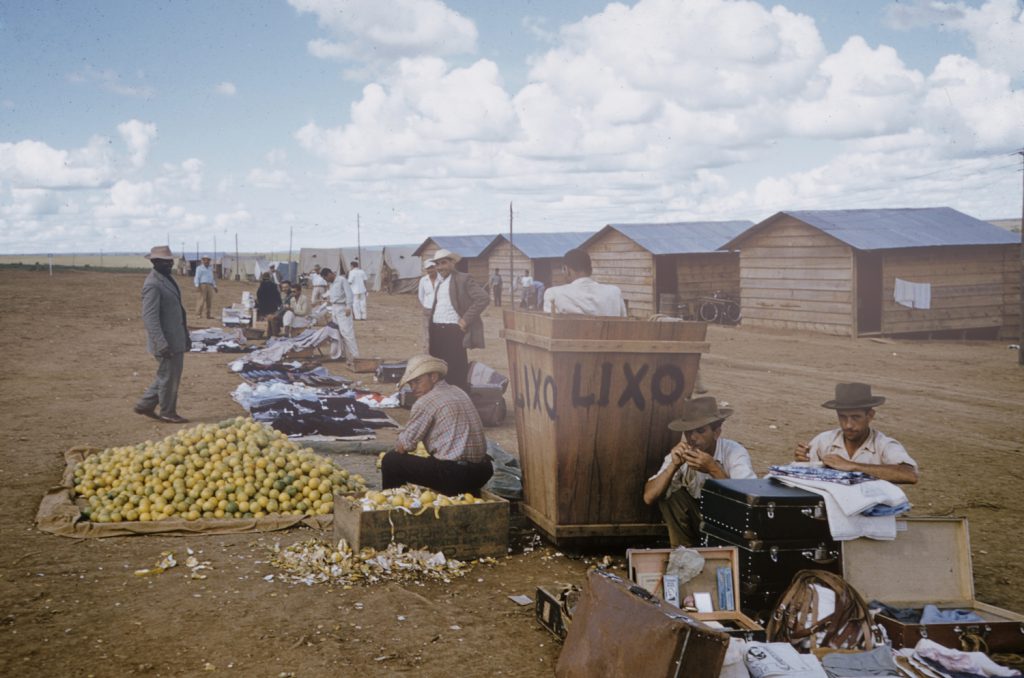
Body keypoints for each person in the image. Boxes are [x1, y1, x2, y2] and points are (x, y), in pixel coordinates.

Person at [644, 396, 756, 546]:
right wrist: (673, 466)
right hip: (699, 520)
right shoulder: (682, 452)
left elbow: (750, 503)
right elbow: (649, 497)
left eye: (700, 431)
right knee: (669, 493)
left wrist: (713, 469)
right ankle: (683, 553)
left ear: (716, 432)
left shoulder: (734, 452)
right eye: (688, 432)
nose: (693, 437)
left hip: (728, 524)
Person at [380, 355, 493, 496]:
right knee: (438, 461)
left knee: (391, 461)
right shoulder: (458, 391)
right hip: (482, 471)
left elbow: (404, 446)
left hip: (455, 474)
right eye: (411, 384)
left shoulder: (426, 401)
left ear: (433, 377)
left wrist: (401, 439)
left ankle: (393, 508)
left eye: (417, 381)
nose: (413, 388)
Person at [795, 383, 918, 484]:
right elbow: (807, 477)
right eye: (843, 417)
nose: (848, 425)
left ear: (870, 415)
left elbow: (909, 474)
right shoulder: (823, 440)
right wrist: (803, 462)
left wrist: (852, 466)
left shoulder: (885, 445)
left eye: (856, 417)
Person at [134, 245, 190, 424]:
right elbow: (150, 318)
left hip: (175, 337)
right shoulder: (153, 284)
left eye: (170, 261)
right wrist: (161, 344)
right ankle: (168, 412)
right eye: (165, 262)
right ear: (154, 262)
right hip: (165, 341)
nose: (169, 264)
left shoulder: (167, 279)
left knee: (167, 375)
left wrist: (185, 336)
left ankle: (145, 404)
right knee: (168, 378)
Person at [427, 249, 489, 391]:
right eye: (437, 264)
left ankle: (459, 400)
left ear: (452, 263)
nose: (440, 267)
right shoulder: (439, 282)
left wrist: (465, 320)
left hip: (453, 330)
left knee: (455, 370)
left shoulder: (463, 278)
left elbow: (483, 298)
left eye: (444, 263)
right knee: (438, 368)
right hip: (437, 330)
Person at [543, 248, 627, 316]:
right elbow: (624, 323)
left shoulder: (553, 294)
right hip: (610, 336)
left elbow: (550, 328)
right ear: (590, 270)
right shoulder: (614, 292)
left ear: (567, 270)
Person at [321, 268, 360, 360]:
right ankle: (342, 354)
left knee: (347, 332)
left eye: (326, 278)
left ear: (330, 274)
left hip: (343, 308)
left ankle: (355, 356)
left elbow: (349, 294)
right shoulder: (331, 283)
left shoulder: (342, 280)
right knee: (337, 332)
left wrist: (348, 307)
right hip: (334, 308)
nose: (326, 280)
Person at [417, 260, 438, 351]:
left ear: (435, 267)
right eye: (428, 269)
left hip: (439, 309)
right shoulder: (423, 280)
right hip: (428, 309)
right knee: (427, 331)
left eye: (432, 268)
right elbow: (421, 296)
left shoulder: (441, 279)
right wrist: (426, 305)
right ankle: (427, 350)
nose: (430, 270)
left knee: (439, 330)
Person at [193, 255, 217, 319]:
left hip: (209, 285)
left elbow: (212, 278)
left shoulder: (210, 268)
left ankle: (208, 315)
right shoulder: (199, 268)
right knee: (201, 300)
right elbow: (197, 277)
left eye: (208, 260)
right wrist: (197, 285)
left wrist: (214, 286)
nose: (207, 261)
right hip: (202, 285)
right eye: (205, 260)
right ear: (203, 260)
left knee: (209, 301)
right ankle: (198, 314)